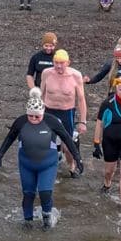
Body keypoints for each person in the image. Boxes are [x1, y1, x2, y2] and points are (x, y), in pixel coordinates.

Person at [0, 87, 81, 229]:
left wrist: (78, 158)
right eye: (31, 116)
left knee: (45, 193)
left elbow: (67, 138)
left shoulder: (52, 121)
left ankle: (47, 219)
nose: (34, 119)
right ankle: (27, 222)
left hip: (47, 164)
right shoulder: (21, 122)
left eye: (37, 116)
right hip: (26, 164)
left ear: (43, 113)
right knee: (28, 194)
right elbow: (9, 138)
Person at [40, 48, 87, 176]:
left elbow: (81, 100)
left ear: (68, 62)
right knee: (47, 143)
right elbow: (41, 95)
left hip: (67, 112)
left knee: (68, 146)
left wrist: (83, 122)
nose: (59, 66)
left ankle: (71, 166)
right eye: (56, 62)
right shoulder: (46, 73)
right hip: (49, 111)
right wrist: (37, 113)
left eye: (62, 63)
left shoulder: (75, 75)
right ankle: (49, 169)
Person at [93, 73, 121, 206]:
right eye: (120, 90)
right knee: (109, 171)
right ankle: (107, 183)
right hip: (110, 142)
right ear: (116, 88)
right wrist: (96, 143)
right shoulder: (108, 103)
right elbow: (99, 123)